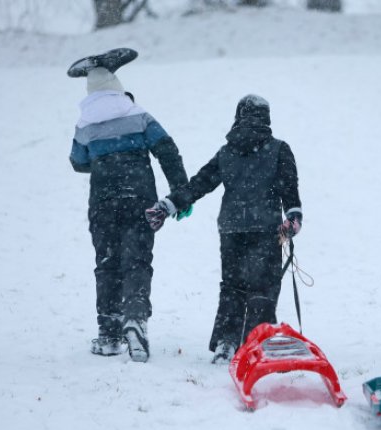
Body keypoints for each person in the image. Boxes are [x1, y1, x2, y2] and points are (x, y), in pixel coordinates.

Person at [145, 94, 302, 364]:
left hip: (231, 229)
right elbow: (289, 188)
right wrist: (293, 216)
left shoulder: (227, 152)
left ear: (238, 116)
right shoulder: (279, 149)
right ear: (266, 118)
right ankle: (258, 343)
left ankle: (226, 343)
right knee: (263, 287)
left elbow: (200, 183)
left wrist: (169, 204)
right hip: (265, 228)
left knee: (232, 286)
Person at [68, 50, 189, 362]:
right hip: (139, 199)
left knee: (107, 263)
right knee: (136, 261)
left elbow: (78, 162)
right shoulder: (138, 115)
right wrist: (180, 192)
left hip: (103, 202)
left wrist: (103, 156)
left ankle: (108, 334)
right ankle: (135, 320)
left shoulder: (85, 124)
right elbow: (168, 150)